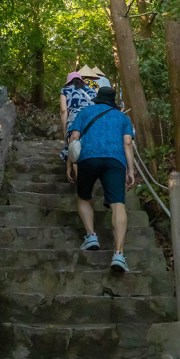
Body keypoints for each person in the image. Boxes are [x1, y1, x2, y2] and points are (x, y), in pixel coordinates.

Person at [66, 87, 135, 272]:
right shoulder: (123, 118)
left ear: (97, 99)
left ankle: (91, 235)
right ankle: (119, 254)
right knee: (118, 204)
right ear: (114, 102)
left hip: (88, 158)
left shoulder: (85, 112)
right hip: (115, 161)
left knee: (83, 197)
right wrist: (131, 170)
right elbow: (127, 143)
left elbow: (74, 138)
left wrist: (70, 165)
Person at [59, 71, 97, 160]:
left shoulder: (65, 90)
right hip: (92, 121)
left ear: (69, 82)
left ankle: (74, 171)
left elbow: (64, 110)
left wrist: (64, 129)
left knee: (74, 146)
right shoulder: (91, 90)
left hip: (75, 121)